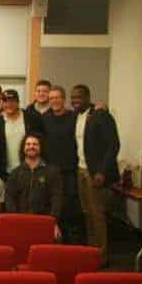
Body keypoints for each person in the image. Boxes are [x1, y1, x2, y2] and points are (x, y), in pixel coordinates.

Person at [71, 84, 120, 262]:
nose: (74, 101)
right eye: (72, 98)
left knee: (97, 215)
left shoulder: (101, 115)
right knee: (87, 213)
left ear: (87, 97)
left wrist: (101, 171)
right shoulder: (76, 116)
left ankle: (101, 256)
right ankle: (92, 253)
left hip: (95, 173)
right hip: (81, 170)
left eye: (78, 97)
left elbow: (113, 145)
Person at [42, 85, 85, 244]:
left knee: (70, 207)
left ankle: (71, 243)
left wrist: (98, 107)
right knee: (52, 205)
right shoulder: (44, 118)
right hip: (50, 170)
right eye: (52, 98)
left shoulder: (74, 117)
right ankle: (53, 240)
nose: (54, 101)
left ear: (63, 99)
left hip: (70, 170)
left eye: (57, 97)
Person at [4, 132, 63, 240]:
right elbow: (9, 199)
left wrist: (53, 222)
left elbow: (57, 199)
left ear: (41, 148)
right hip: (20, 223)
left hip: (44, 222)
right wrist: (15, 221)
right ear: (23, 148)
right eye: (28, 144)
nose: (31, 147)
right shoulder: (15, 173)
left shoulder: (52, 172)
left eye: (35, 144)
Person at [0, 89, 44, 179]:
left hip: (30, 170)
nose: (9, 104)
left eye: (12, 101)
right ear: (2, 103)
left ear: (18, 102)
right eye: (5, 101)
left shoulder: (31, 118)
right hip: (6, 172)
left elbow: (40, 142)